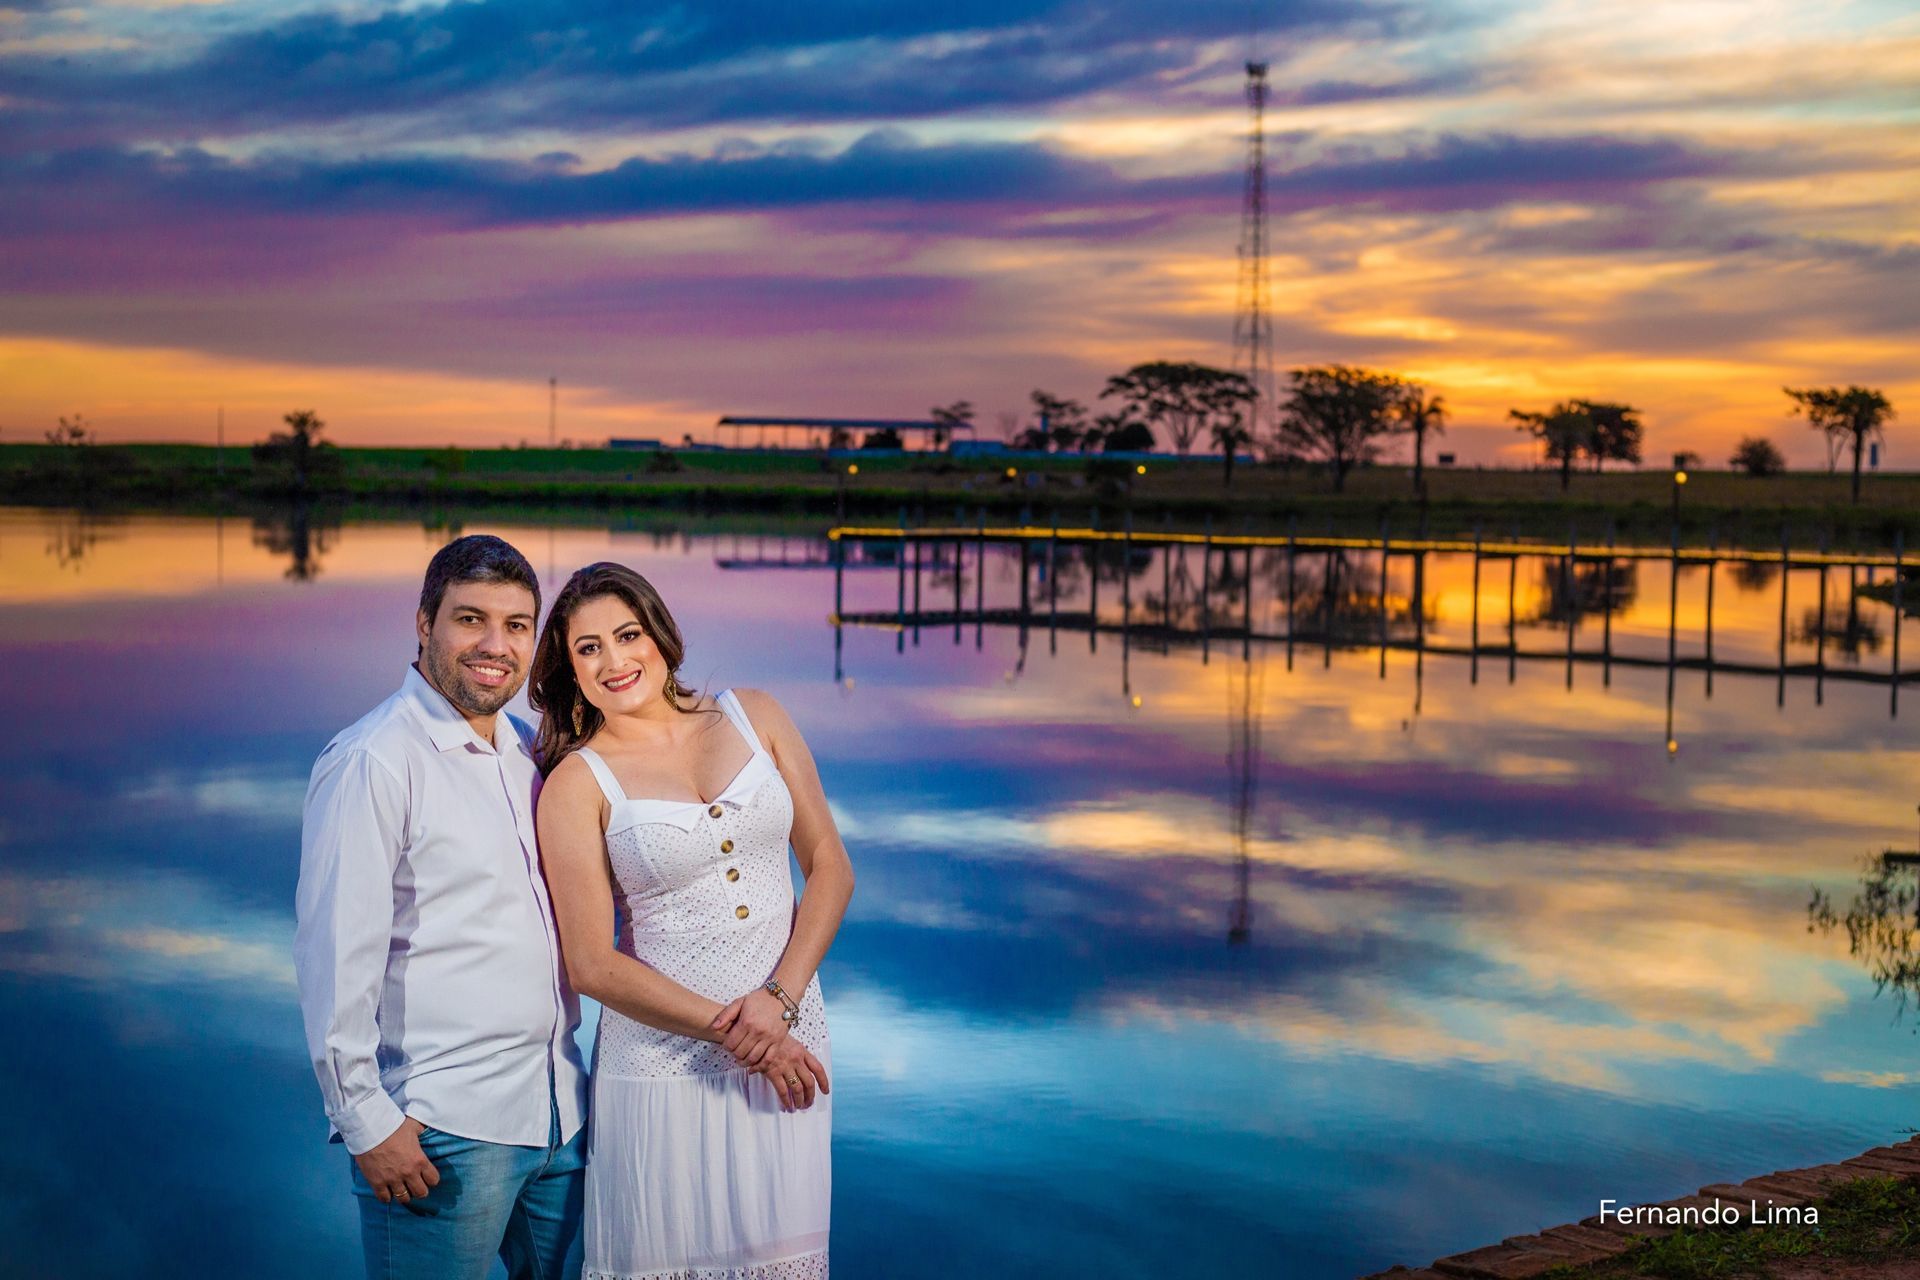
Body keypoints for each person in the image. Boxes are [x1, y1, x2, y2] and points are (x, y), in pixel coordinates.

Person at [531, 561, 853, 1280]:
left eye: (627, 634)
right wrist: (745, 1035)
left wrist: (778, 1006)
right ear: (570, 670)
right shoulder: (576, 785)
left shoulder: (756, 714)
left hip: (792, 1045)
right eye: (588, 649)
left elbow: (830, 865)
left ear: (661, 634)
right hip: (661, 1066)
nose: (614, 661)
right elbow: (592, 963)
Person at [294, 534, 589, 1280]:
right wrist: (365, 1123)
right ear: (424, 623)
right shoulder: (374, 761)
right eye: (470, 620)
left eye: (517, 625)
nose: (495, 646)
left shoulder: (530, 754)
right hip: (441, 1134)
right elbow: (334, 955)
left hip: (561, 1117)